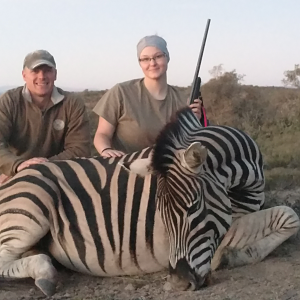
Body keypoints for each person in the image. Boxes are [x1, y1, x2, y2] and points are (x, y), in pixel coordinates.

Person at [93, 35, 202, 158]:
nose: (152, 63)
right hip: (125, 171)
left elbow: (189, 145)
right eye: (145, 59)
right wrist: (105, 149)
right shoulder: (121, 92)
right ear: (139, 63)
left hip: (168, 173)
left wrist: (194, 123)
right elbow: (102, 134)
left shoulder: (184, 100)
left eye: (158, 56)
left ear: (167, 58)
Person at [0, 50, 91, 185]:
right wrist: (15, 165)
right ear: (24, 75)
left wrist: (40, 167)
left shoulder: (72, 103)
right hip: (15, 173)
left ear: (55, 74)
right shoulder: (10, 100)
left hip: (59, 173)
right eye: (35, 71)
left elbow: (80, 149)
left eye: (47, 70)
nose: (42, 76)